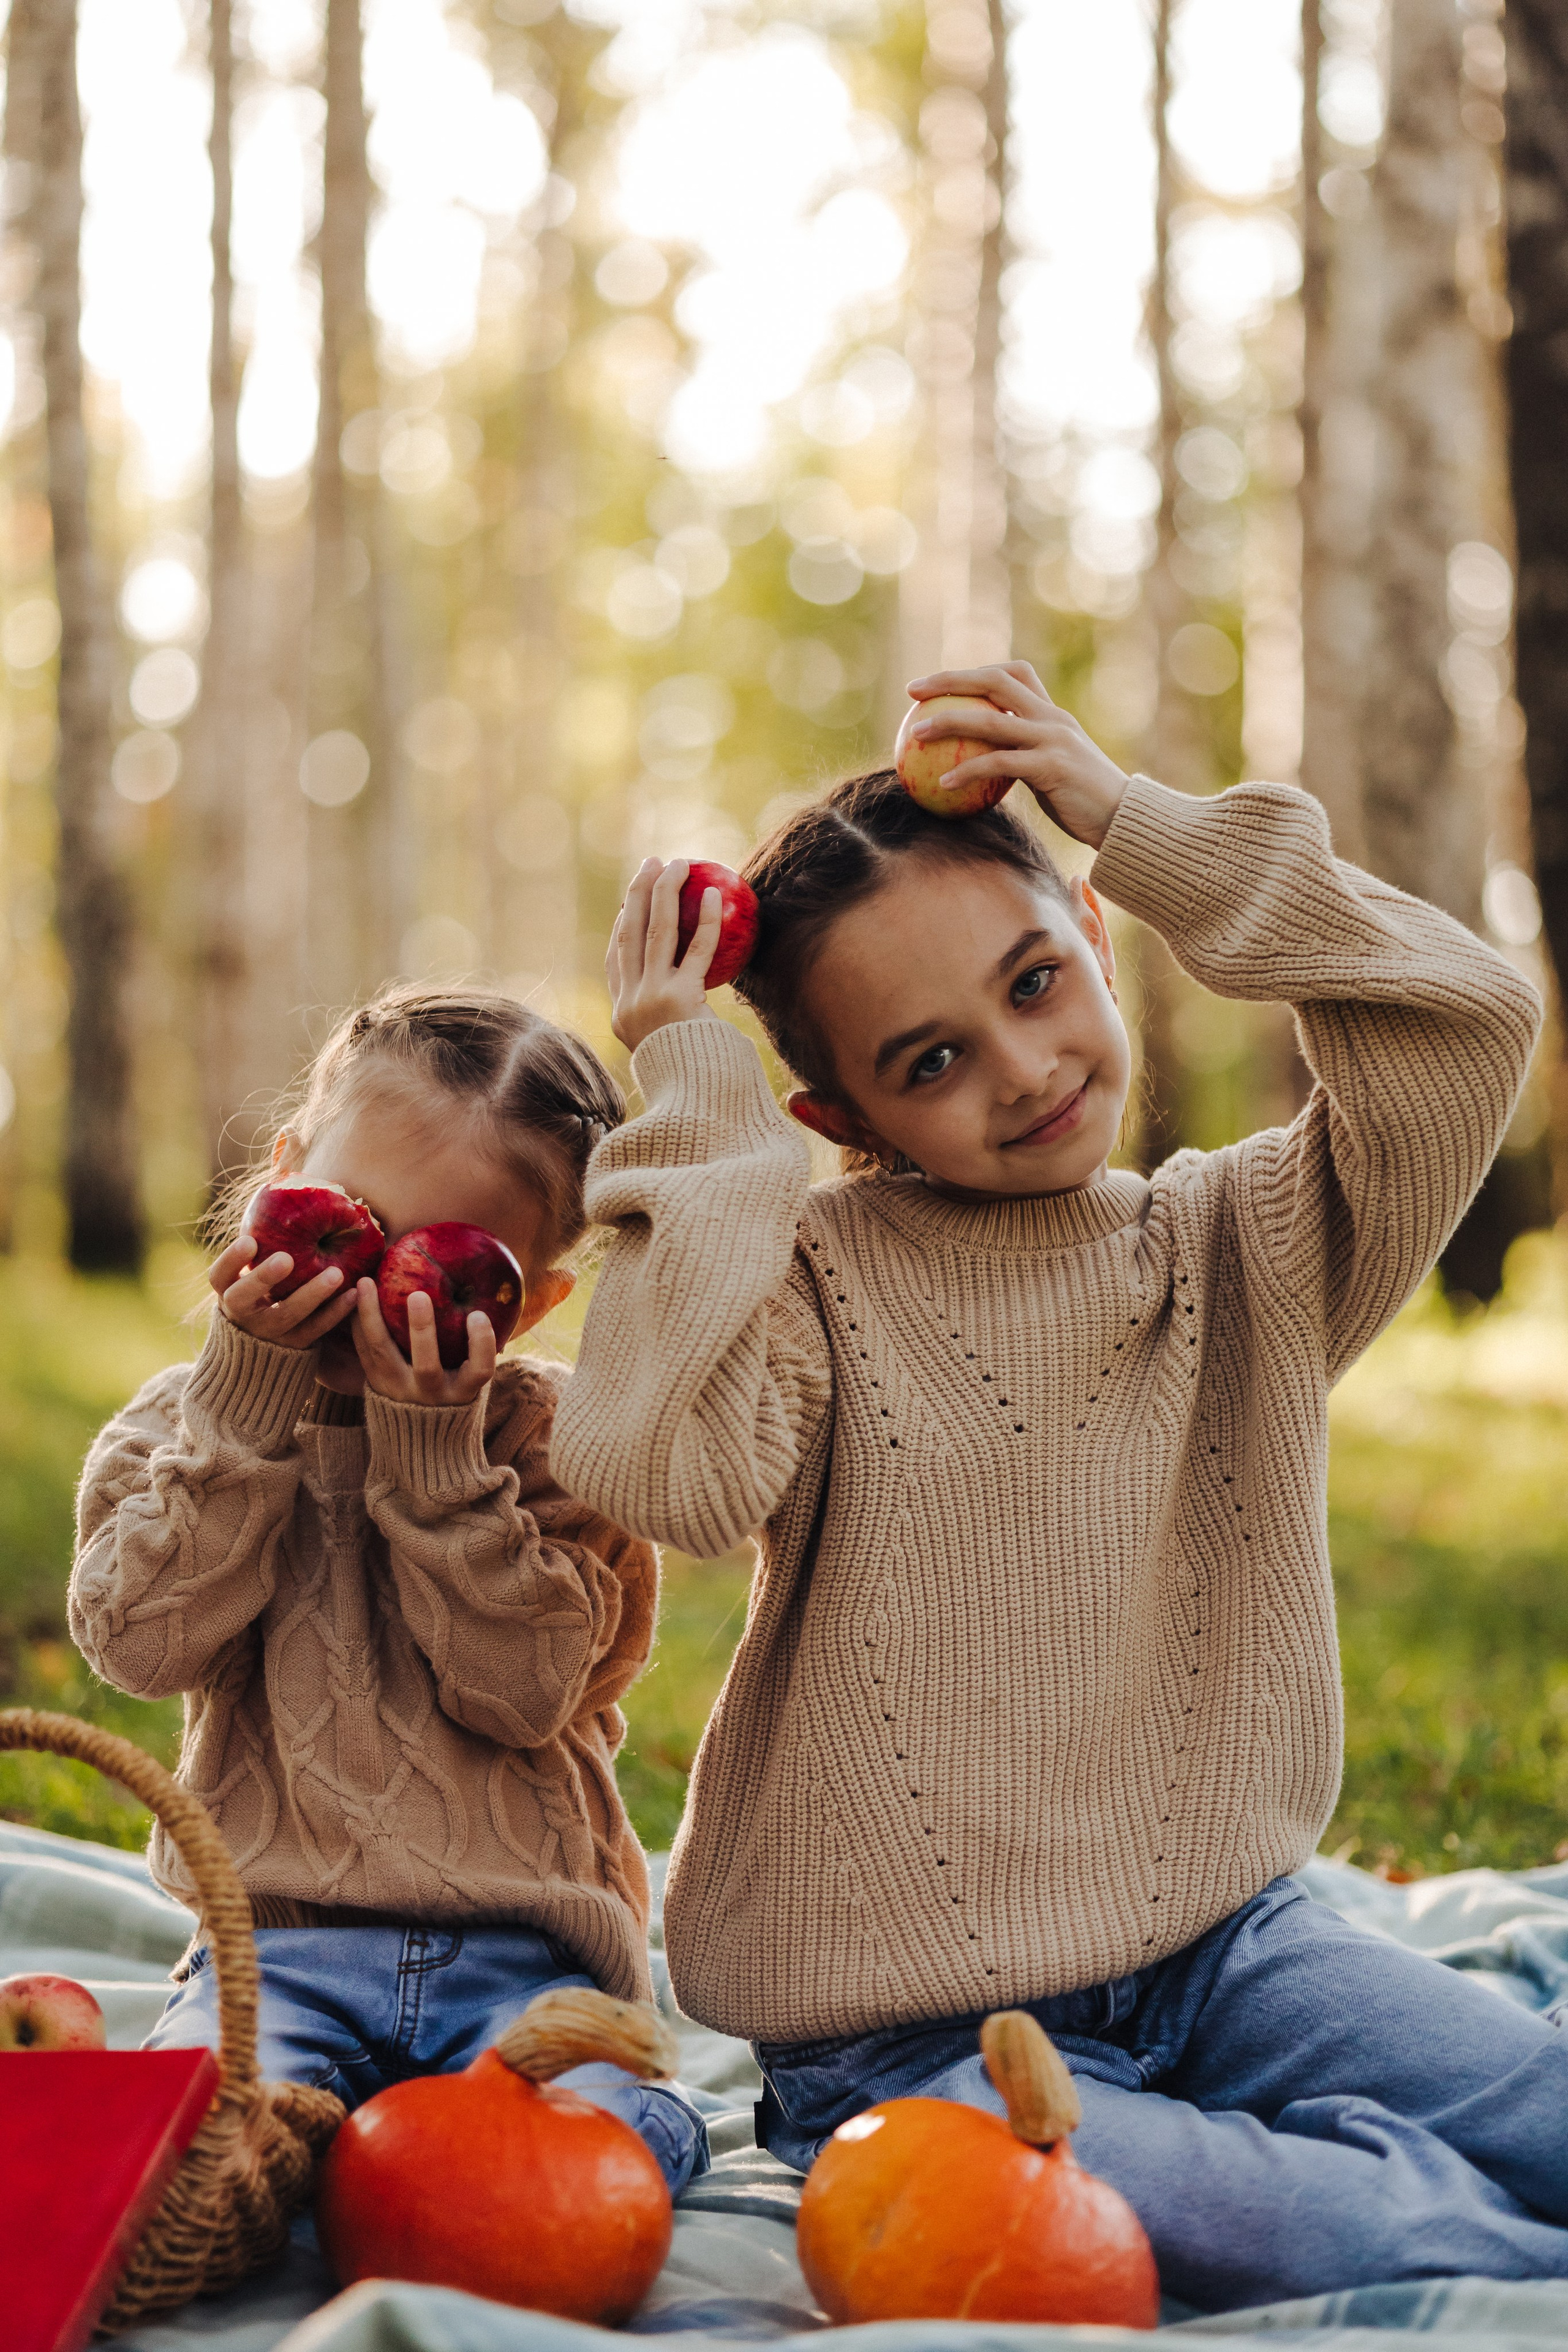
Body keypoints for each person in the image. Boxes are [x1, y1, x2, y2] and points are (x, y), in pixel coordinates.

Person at [551, 662, 1568, 2309]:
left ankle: (1405, 2168)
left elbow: (1469, 1020)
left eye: (1035, 980)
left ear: (1095, 933)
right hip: (906, 2031)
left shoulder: (1250, 1248)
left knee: (1545, 2114)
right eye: (930, 1059)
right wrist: (695, 1086)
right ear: (843, 1113)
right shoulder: (811, 1287)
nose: (1022, 1070)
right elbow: (656, 1463)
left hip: (1230, 1951)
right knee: (1330, 2230)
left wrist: (1142, 824)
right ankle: (1427, 2217)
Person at [70, 986, 707, 2194]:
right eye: (350, 1226)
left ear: (533, 1301)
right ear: (285, 1169)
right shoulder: (180, 1423)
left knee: (591, 2163)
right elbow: (136, 1644)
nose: (367, 1298)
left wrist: (435, 1467)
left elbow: (520, 1695)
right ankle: (323, 2164)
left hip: (530, 1962)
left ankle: (476, 2164)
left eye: (437, 1270)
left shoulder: (562, 1449)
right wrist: (243, 1421)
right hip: (281, 1954)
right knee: (176, 2165)